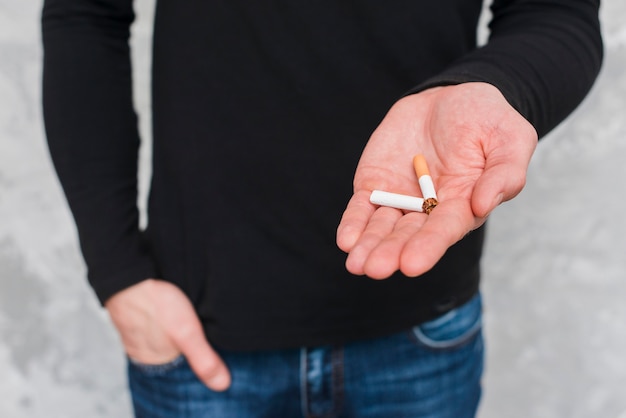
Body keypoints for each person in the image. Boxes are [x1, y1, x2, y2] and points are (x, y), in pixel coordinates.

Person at [41, 0, 602, 417]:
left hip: (422, 331)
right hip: (201, 339)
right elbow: (84, 12)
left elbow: (558, 12)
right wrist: (118, 273)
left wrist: (497, 86)